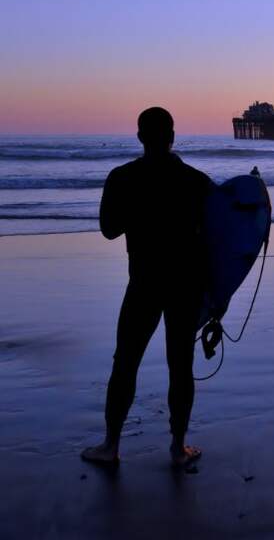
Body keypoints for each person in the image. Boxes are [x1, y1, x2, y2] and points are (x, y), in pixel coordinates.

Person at [81, 107, 212, 468]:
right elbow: (215, 242)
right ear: (172, 136)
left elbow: (108, 229)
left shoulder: (123, 177)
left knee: (125, 362)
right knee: (180, 365)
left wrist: (138, 209)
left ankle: (111, 446)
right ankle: (178, 447)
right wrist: (217, 296)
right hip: (185, 285)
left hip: (144, 283)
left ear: (140, 137)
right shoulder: (197, 182)